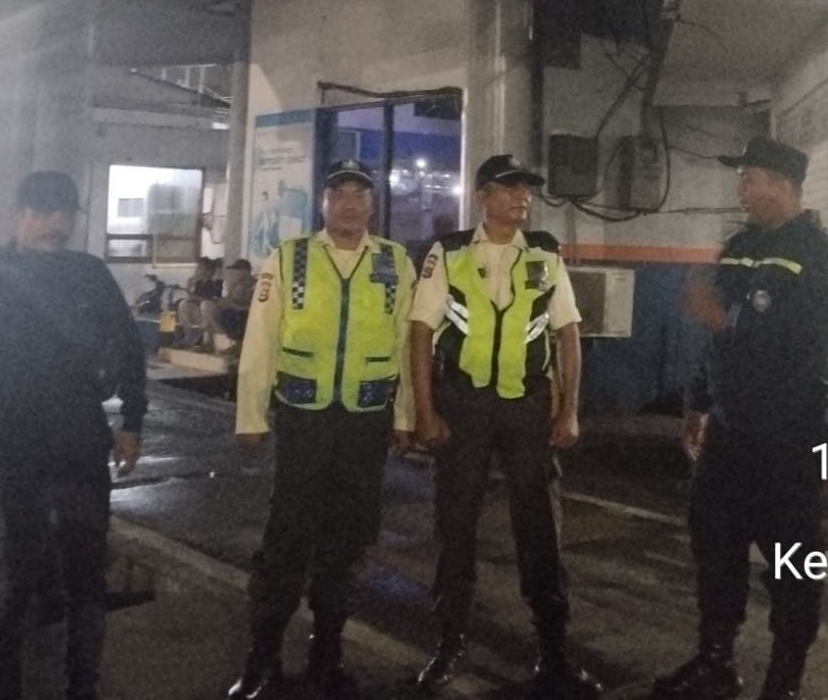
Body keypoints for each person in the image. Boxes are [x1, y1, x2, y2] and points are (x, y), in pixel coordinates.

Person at [651, 137, 828, 700]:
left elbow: (798, 342)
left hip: (791, 436)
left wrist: (723, 319)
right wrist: (698, 403)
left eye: (750, 178)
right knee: (715, 547)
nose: (740, 189)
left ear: (783, 185)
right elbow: (713, 340)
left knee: (792, 561)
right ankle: (715, 662)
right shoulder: (739, 247)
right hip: (730, 431)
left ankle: (783, 681)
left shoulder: (823, 259)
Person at [0, 170, 147, 700]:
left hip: (83, 451)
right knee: (13, 583)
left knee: (87, 583)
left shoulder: (89, 275)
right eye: (40, 212)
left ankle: (84, 687)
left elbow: (129, 349)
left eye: (63, 213)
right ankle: (1, 689)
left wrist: (132, 421)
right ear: (18, 214)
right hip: (16, 458)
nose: (53, 224)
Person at [410, 153, 601, 699]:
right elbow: (420, 332)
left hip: (527, 407)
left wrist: (569, 409)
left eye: (526, 190)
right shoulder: (448, 253)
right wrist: (425, 411)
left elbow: (567, 334)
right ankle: (450, 643)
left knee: (540, 527)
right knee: (456, 524)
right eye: (509, 188)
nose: (522, 197)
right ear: (482, 196)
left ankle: (553, 650)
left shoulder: (543, 253)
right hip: (463, 405)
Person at [226, 160, 416, 700]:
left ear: (372, 205)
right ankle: (262, 661)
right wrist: (250, 414)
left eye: (359, 195)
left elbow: (407, 345)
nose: (349, 204)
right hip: (304, 420)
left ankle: (326, 658)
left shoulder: (395, 262)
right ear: (323, 203)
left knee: (347, 542)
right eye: (339, 195)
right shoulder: (290, 258)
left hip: (365, 423)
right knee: (286, 540)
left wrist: (405, 418)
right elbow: (261, 339)